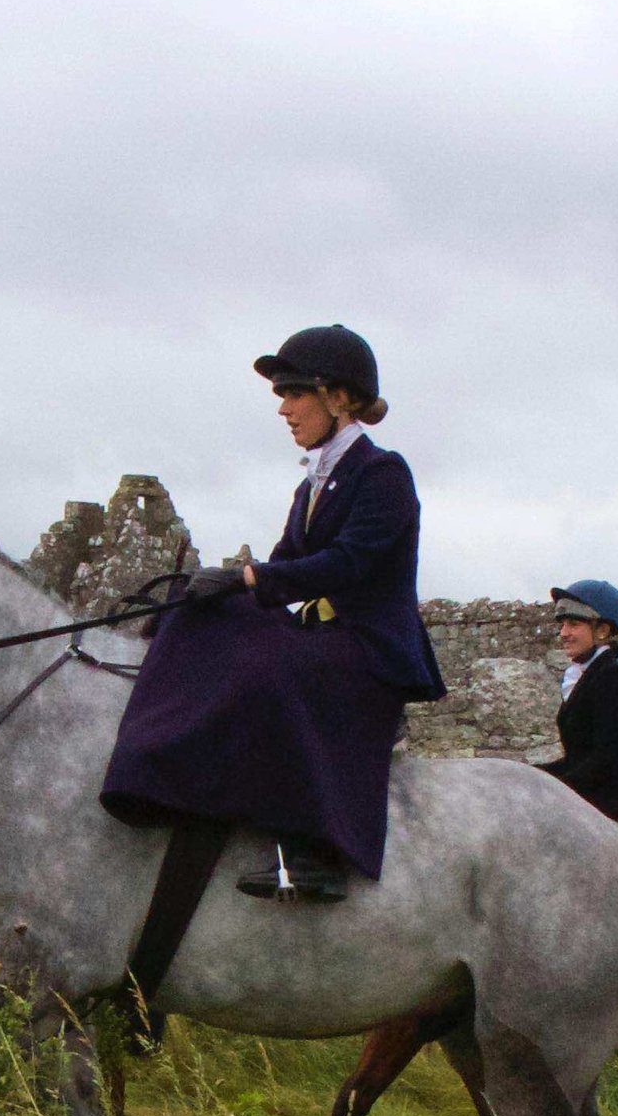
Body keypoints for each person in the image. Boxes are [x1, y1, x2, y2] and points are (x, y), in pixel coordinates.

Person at [101, 324, 446, 900]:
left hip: (367, 646)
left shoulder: (384, 474)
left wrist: (250, 577)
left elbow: (347, 563)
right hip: (321, 632)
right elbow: (287, 563)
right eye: (282, 396)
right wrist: (215, 590)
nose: (284, 409)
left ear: (338, 398)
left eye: (294, 393)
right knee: (197, 616)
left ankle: (315, 852)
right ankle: (155, 777)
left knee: (269, 669)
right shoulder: (315, 481)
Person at [535, 580, 618, 830]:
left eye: (574, 624)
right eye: (562, 624)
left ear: (602, 630)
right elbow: (579, 758)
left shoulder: (612, 679)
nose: (564, 633)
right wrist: (532, 774)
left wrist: (553, 787)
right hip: (594, 804)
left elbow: (607, 759)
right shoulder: (589, 675)